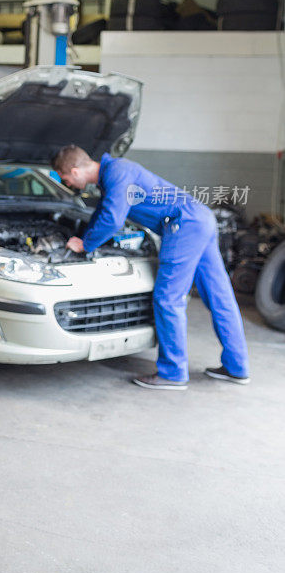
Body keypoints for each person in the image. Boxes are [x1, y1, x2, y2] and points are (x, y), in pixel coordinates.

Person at [51, 145, 250, 390]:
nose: (69, 184)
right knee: (219, 297)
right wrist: (85, 235)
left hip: (183, 226)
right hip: (199, 219)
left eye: (66, 179)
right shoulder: (113, 174)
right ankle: (237, 367)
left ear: (74, 171)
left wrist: (85, 244)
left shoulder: (117, 173)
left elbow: (113, 219)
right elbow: (104, 212)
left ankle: (173, 373)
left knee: (168, 298)